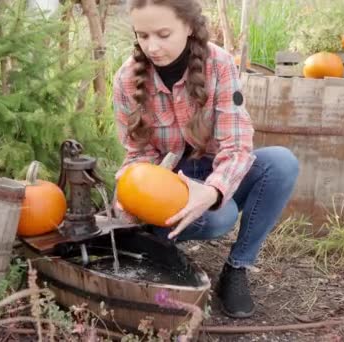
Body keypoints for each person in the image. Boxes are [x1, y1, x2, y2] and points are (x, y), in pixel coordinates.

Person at [112, 0, 299, 319]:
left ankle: (236, 269)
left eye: (163, 34)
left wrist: (212, 191)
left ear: (188, 26)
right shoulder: (127, 79)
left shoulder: (220, 64)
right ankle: (158, 241)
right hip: (170, 179)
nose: (152, 47)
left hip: (218, 169)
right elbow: (139, 154)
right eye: (143, 36)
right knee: (219, 218)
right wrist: (132, 190)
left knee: (281, 164)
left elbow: (238, 144)